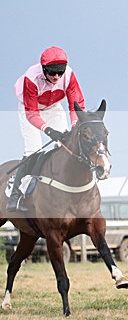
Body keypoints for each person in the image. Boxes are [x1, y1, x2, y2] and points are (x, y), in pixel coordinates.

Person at [7, 46, 86, 212]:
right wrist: (47, 129)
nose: (57, 77)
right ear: (43, 69)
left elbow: (76, 105)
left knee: (65, 145)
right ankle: (15, 195)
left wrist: (74, 126)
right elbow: (32, 114)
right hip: (30, 110)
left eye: (60, 72)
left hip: (53, 108)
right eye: (52, 73)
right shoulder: (32, 77)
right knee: (33, 150)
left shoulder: (69, 75)